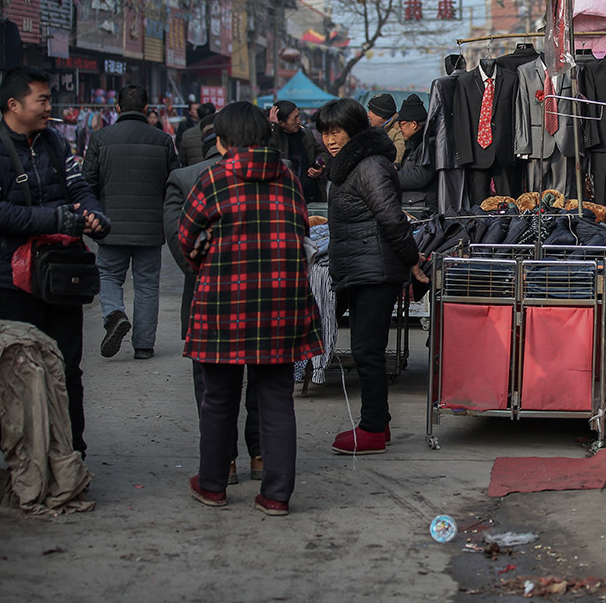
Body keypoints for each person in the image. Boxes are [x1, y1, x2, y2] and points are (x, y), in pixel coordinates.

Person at [179, 102, 322, 515]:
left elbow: (186, 239)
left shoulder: (213, 178)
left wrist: (206, 260)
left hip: (223, 303)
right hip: (282, 304)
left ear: (222, 140)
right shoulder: (289, 179)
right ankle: (276, 494)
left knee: (219, 397)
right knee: (276, 398)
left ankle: (212, 485)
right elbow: (301, 234)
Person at [0, 66, 111, 456]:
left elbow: (79, 188)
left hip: (60, 278)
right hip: (10, 283)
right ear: (14, 104)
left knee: (66, 369)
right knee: (15, 372)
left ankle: (71, 453)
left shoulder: (54, 142)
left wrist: (93, 217)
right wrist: (56, 218)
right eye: (42, 99)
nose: (49, 107)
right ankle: (20, 456)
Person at [316, 98, 426, 455]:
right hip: (360, 267)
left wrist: (411, 260)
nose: (331, 140)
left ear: (354, 129)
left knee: (367, 351)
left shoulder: (370, 165)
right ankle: (379, 423)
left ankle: (373, 429)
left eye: (337, 131)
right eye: (325, 132)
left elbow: (392, 218)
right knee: (367, 350)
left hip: (375, 270)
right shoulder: (347, 165)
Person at [164, 117, 264, 485]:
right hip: (263, 297)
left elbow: (180, 242)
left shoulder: (186, 178)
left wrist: (208, 272)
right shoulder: (278, 175)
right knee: (263, 380)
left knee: (211, 388)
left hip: (207, 298)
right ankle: (260, 456)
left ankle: (223, 465)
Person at [83, 83, 180, 361]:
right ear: (147, 109)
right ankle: (144, 346)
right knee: (147, 285)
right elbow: (173, 183)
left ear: (117, 109)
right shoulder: (162, 140)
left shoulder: (100, 138)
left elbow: (87, 182)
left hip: (110, 225)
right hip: (150, 228)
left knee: (108, 276)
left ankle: (114, 314)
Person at [267, 100, 329, 203]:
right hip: (286, 198)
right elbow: (268, 151)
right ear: (281, 123)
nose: (299, 121)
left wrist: (319, 166)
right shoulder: (275, 138)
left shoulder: (306, 134)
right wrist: (273, 127)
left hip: (311, 196)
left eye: (298, 116)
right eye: (294, 118)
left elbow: (321, 153)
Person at [395, 94, 436, 213]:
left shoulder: (428, 144)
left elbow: (421, 175)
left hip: (421, 208)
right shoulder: (414, 143)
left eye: (401, 124)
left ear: (413, 124)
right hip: (412, 204)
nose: (400, 129)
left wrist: (392, 175)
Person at [366, 93, 406, 165]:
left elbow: (396, 160)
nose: (368, 114)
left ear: (380, 115)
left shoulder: (399, 131)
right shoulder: (371, 129)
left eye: (370, 111)